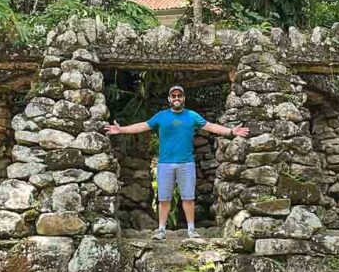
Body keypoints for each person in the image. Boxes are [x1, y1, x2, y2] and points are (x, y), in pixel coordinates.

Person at [104, 85, 249, 240]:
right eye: (173, 96)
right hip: (165, 164)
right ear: (169, 99)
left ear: (183, 98)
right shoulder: (161, 116)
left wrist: (231, 132)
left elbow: (211, 126)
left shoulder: (192, 116)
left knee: (188, 198)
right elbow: (143, 125)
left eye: (179, 95)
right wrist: (122, 130)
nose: (177, 98)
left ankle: (191, 230)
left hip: (186, 164)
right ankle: (161, 230)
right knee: (164, 199)